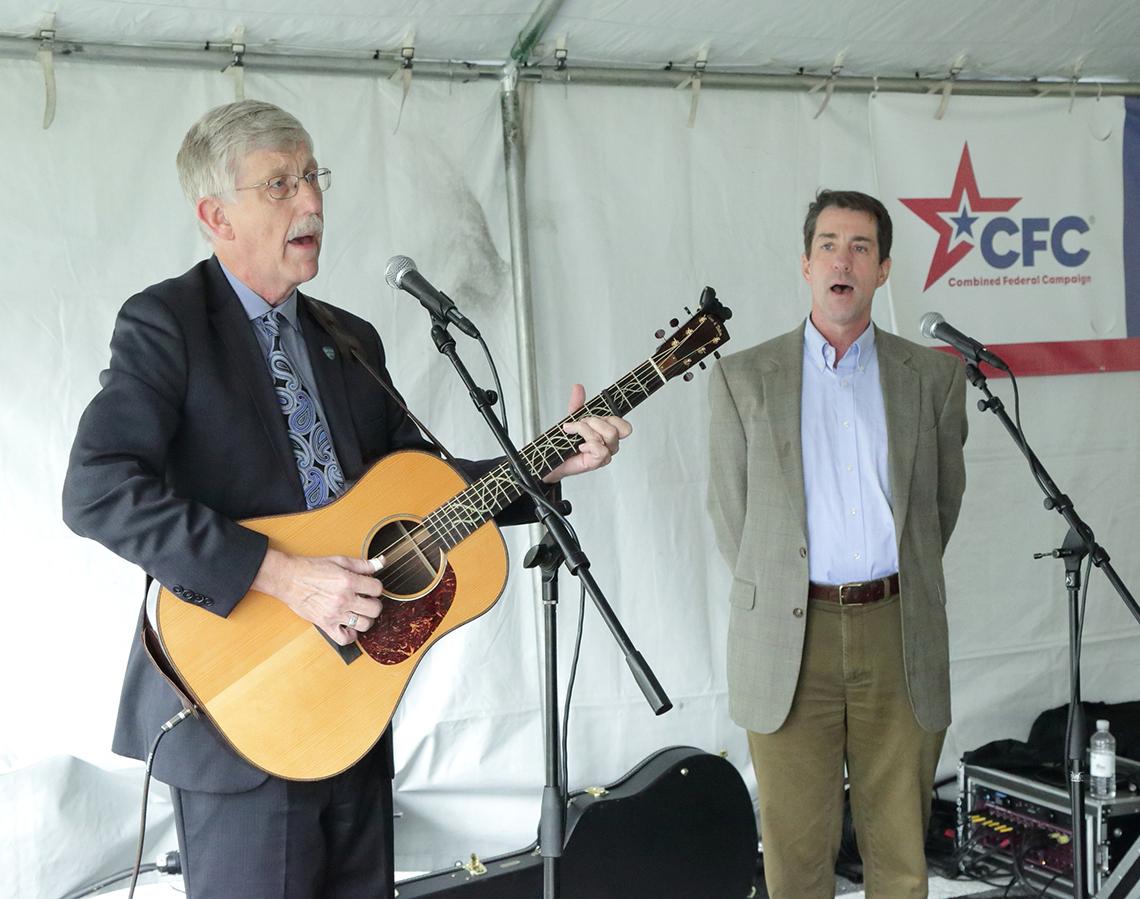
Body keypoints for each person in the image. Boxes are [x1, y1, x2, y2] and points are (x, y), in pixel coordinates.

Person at [62, 100, 631, 899]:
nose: (312, 202)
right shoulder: (168, 323)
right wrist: (282, 575)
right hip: (242, 714)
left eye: (313, 176)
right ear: (215, 215)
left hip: (351, 700)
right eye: (281, 184)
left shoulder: (350, 336)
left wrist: (547, 464)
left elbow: (423, 486)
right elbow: (97, 488)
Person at [706, 189, 968, 898]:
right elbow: (734, 517)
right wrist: (793, 585)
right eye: (828, 244)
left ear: (883, 268)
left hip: (898, 627)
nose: (841, 259)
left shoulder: (936, 378)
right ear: (805, 263)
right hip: (790, 638)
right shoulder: (741, 379)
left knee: (901, 851)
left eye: (859, 246)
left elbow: (939, 507)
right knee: (796, 856)